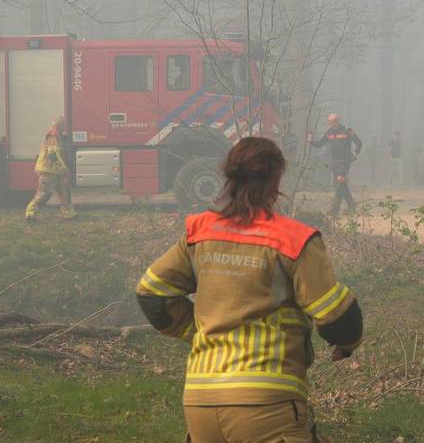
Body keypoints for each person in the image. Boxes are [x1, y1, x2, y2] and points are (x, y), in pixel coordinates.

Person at [135, 137, 362, 443]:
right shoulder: (293, 240)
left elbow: (151, 294)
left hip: (201, 402)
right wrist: (347, 344)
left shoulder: (200, 232)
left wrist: (198, 331)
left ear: (229, 175)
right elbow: (336, 317)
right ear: (277, 178)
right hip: (267, 402)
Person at [309, 113, 363, 215]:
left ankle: (335, 209)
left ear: (337, 121)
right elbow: (320, 143)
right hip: (334, 162)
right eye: (329, 121)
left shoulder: (347, 130)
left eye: (331, 121)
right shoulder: (329, 132)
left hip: (345, 161)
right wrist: (311, 141)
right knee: (340, 185)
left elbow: (359, 143)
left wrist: (355, 153)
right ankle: (351, 208)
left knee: (339, 182)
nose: (329, 123)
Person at [25, 116, 75, 220]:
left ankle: (68, 213)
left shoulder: (59, 136)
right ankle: (30, 212)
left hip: (56, 170)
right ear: (60, 125)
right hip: (48, 170)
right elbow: (54, 154)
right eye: (64, 123)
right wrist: (64, 168)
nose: (66, 126)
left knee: (63, 191)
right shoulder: (53, 136)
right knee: (43, 192)